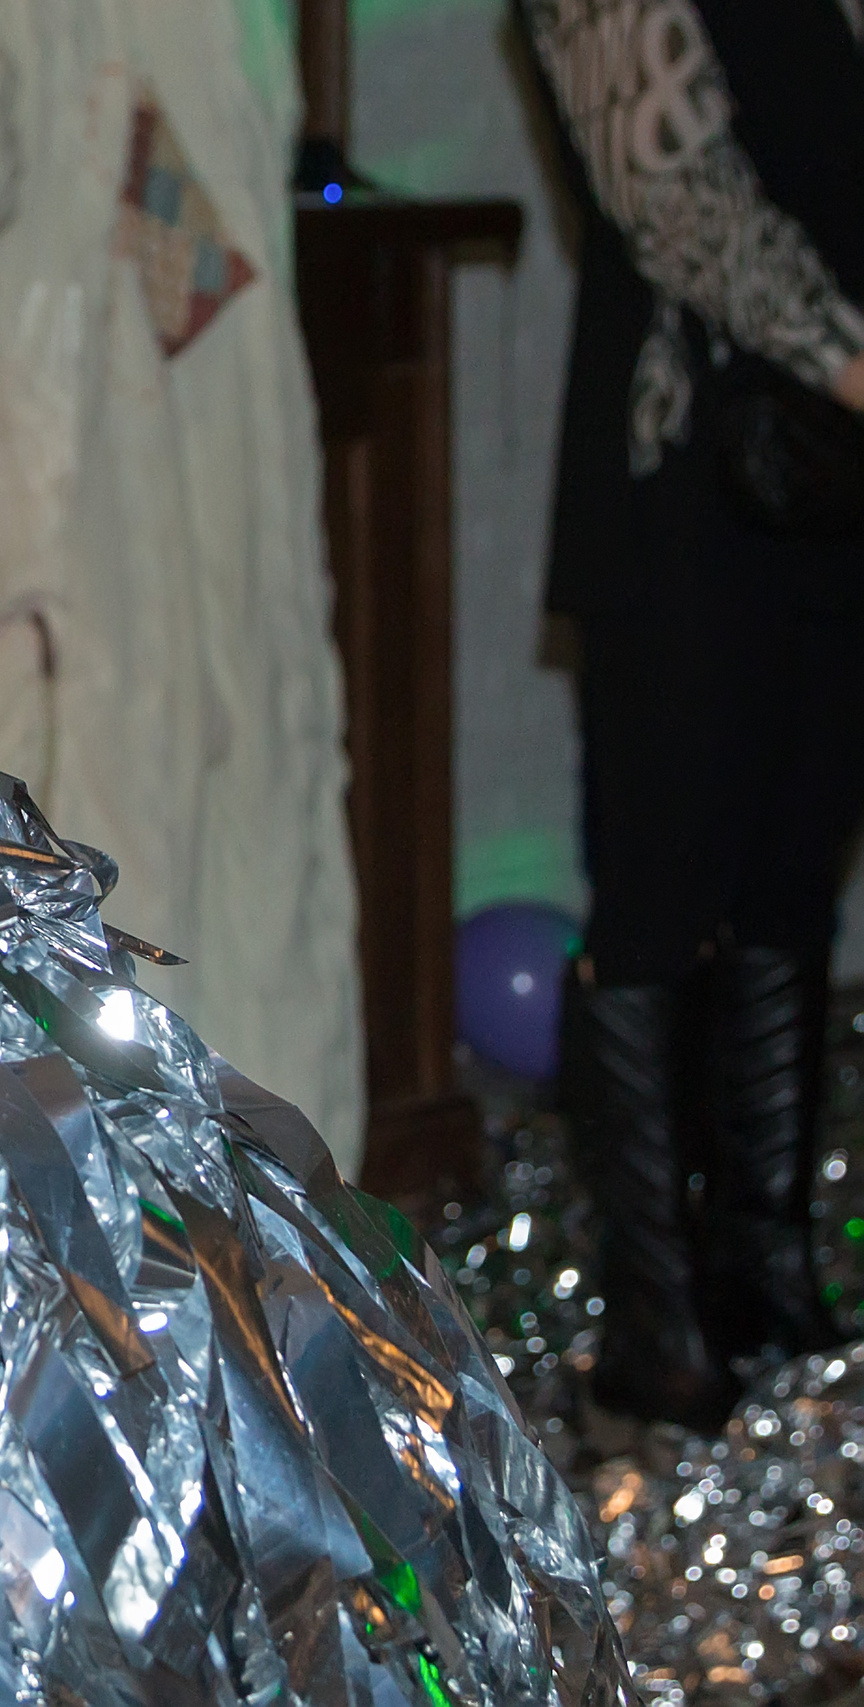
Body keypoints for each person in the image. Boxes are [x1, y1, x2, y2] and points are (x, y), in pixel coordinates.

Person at [0, 0, 368, 1171]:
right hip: (211, 469)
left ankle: (88, 1266)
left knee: (49, 858)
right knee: (235, 842)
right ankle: (272, 1244)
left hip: (55, 481)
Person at [517, 0, 864, 1429]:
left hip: (833, 486)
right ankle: (661, 1320)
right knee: (663, 890)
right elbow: (673, 195)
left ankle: (766, 1276)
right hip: (685, 490)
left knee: (793, 874)